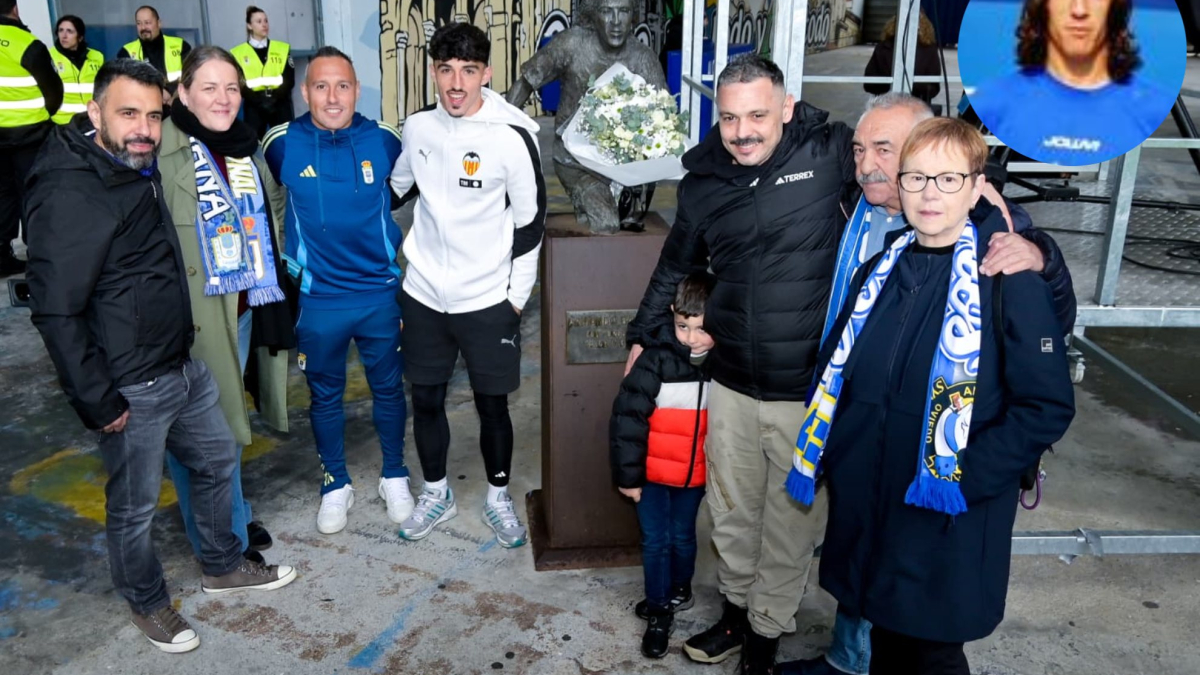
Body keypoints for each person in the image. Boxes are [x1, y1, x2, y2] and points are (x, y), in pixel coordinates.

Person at [777, 91, 1078, 675]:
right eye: (916, 178)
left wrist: (963, 475)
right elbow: (837, 372)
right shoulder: (880, 270)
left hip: (948, 510)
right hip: (874, 500)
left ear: (976, 188)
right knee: (887, 639)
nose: (929, 194)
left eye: (947, 179)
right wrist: (839, 456)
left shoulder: (1007, 280)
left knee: (931, 653)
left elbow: (1044, 407)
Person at [24, 58, 296, 654]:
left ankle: (222, 564)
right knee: (134, 507)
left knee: (218, 457)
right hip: (130, 383)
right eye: (127, 113)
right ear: (94, 112)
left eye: (151, 115)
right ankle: (148, 603)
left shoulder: (135, 165)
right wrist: (98, 399)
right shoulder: (70, 190)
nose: (143, 128)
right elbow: (56, 310)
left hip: (180, 362)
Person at [624, 54, 857, 674]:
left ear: (786, 108)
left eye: (758, 114)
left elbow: (916, 178)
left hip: (802, 394)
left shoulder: (830, 152)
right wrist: (642, 335)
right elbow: (675, 264)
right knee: (730, 515)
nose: (744, 130)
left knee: (788, 527)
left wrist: (1005, 224)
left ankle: (764, 641)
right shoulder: (703, 182)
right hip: (727, 386)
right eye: (730, 118)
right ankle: (735, 612)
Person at [388, 23, 544, 547]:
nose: (456, 83)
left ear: (487, 74)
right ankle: (437, 493)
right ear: (433, 71)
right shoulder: (418, 128)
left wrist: (514, 299)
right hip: (425, 294)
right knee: (426, 399)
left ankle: (498, 496)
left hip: (487, 299)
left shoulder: (512, 137)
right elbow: (397, 189)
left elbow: (531, 224)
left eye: (468, 71)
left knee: (492, 405)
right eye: (447, 70)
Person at [262, 47, 409, 535]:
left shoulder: (386, 140)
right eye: (321, 86)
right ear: (305, 93)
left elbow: (402, 193)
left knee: (388, 388)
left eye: (342, 86)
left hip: (378, 294)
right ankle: (335, 483)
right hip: (320, 300)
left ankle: (394, 474)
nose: (332, 96)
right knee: (324, 397)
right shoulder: (280, 143)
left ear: (356, 90)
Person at [158, 45, 294, 564]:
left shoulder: (243, 146)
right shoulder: (163, 152)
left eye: (232, 87)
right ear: (183, 93)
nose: (223, 98)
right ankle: (223, 543)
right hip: (192, 322)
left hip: (240, 311)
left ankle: (232, 509)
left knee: (228, 428)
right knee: (201, 440)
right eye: (209, 87)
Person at [610, 272, 715, 659]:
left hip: (695, 478)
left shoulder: (726, 365)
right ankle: (658, 611)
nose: (690, 338)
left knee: (683, 537)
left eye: (702, 329)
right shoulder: (655, 360)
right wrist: (629, 477)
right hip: (653, 476)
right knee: (656, 541)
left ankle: (679, 589)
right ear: (672, 314)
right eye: (683, 326)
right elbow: (627, 421)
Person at [506, 0, 666, 234]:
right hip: (574, 159)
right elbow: (527, 81)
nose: (615, 22)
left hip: (622, 166)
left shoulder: (643, 58)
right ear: (594, 15)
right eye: (606, 11)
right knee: (607, 223)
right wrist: (500, 130)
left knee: (622, 220)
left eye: (623, 11)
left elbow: (663, 114)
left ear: (632, 16)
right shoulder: (572, 44)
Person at [967, 0, 1173, 165]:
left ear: (1115, 8)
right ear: (1042, 6)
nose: (1079, 10)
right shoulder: (992, 101)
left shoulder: (1151, 107)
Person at [0, 0, 62, 277]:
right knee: (34, 194)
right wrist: (41, 115)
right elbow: (53, 91)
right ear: (14, 9)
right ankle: (38, 254)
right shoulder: (27, 43)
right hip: (31, 135)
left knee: (3, 196)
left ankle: (2, 255)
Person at [231, 5, 294, 139]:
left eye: (265, 21)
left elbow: (289, 79)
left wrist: (273, 99)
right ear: (249, 26)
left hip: (280, 103)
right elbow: (239, 83)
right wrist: (260, 102)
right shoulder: (238, 53)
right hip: (254, 105)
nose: (264, 25)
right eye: (259, 22)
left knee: (286, 141)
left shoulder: (282, 48)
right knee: (254, 143)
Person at [117, 5, 192, 105]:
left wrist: (170, 91)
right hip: (144, 108)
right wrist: (156, 95)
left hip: (177, 104)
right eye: (139, 23)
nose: (143, 28)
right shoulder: (126, 52)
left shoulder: (180, 46)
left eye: (147, 23)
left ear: (159, 23)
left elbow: (191, 75)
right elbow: (123, 86)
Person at [862, 12, 942, 106]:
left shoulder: (929, 50)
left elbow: (933, 88)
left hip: (911, 106)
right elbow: (869, 83)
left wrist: (905, 86)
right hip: (888, 105)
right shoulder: (883, 48)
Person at [49, 15, 104, 125]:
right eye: (61, 30)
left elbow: (103, 87)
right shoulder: (49, 56)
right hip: (62, 121)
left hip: (91, 119)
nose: (64, 35)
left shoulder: (97, 56)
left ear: (80, 37)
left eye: (69, 31)